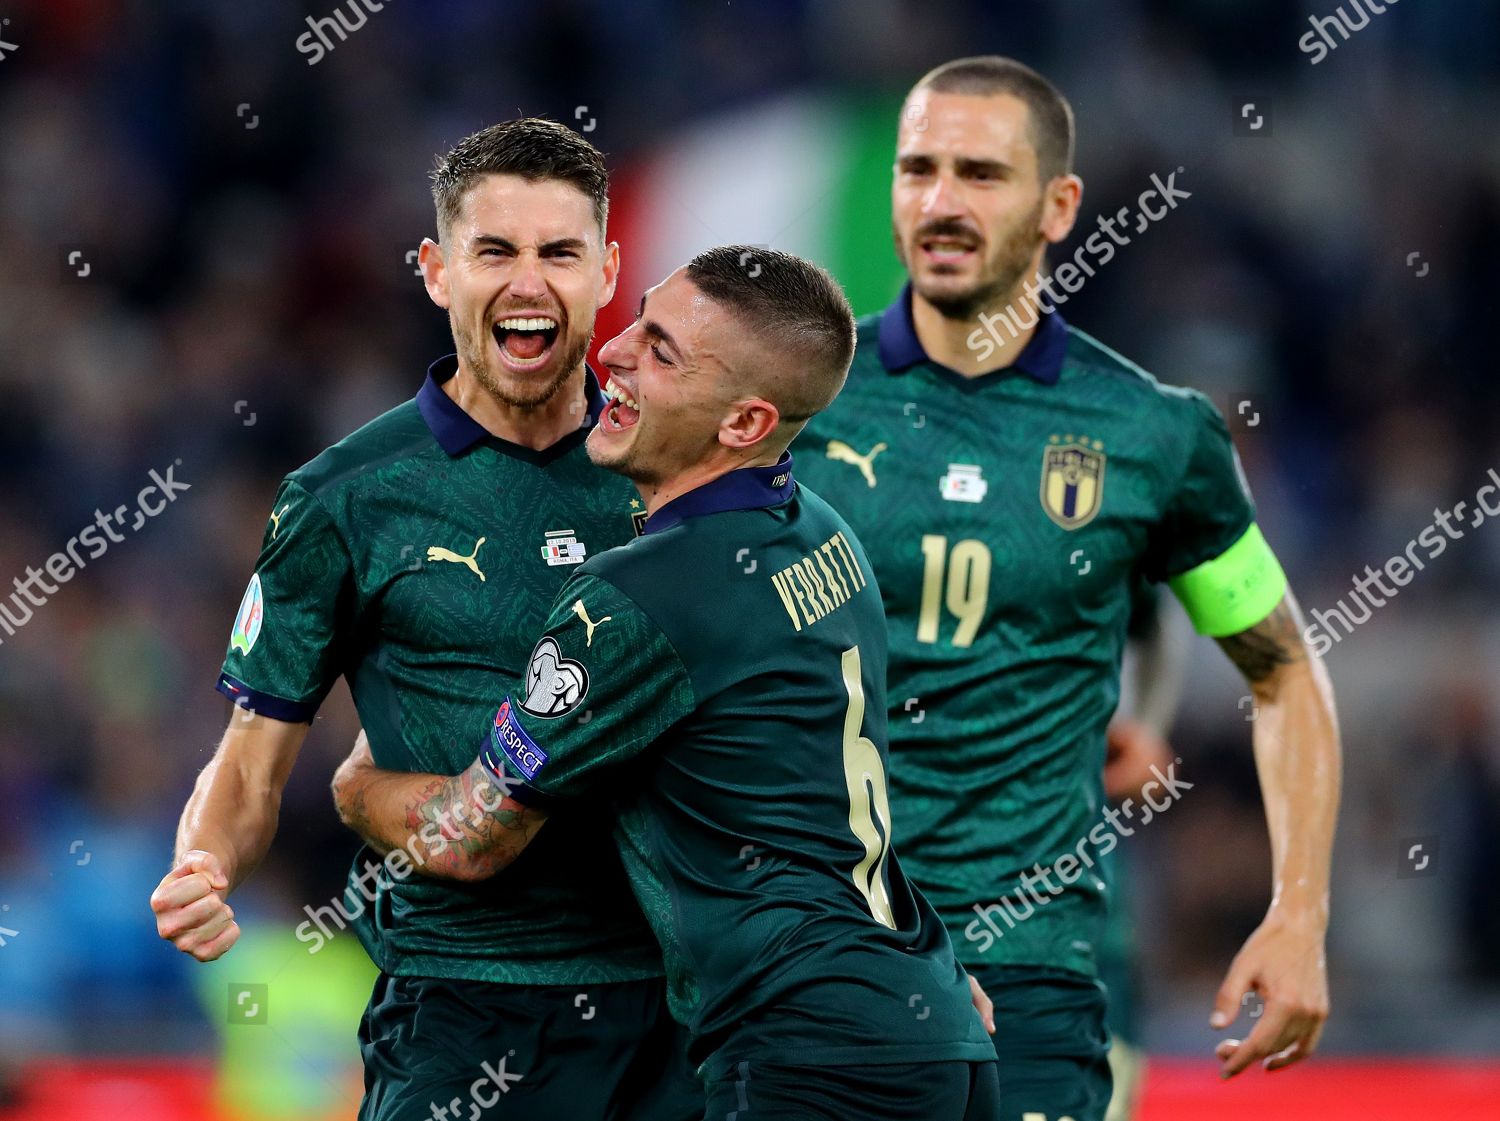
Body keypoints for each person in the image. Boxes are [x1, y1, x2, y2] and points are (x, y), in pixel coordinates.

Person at [330, 246, 1002, 1121]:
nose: (612, 351)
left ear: (744, 421)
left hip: (808, 1059)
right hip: (935, 1027)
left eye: (662, 350)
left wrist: (360, 784)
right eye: (640, 318)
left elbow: (473, 836)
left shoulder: (638, 597)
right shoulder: (826, 535)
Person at [793, 55, 1341, 1121]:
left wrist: (1299, 913)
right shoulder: (797, 404)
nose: (941, 202)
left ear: (1059, 206)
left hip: (1032, 969)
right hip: (813, 965)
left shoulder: (1152, 433)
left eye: (981, 174)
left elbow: (1282, 674)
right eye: (919, 169)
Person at [149, 117, 700, 1121]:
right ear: (437, 269)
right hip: (461, 1014)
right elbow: (252, 758)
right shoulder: (346, 497)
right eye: (495, 251)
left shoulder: (688, 469)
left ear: (610, 269)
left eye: (559, 253)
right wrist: (206, 859)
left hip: (682, 1010)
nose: (528, 282)